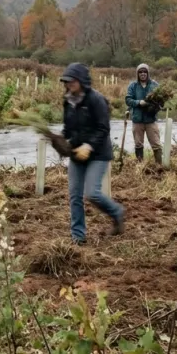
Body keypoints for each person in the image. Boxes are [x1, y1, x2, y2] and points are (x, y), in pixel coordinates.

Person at [60, 63, 125, 245]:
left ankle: (117, 212)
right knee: (74, 195)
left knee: (92, 193)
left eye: (72, 80)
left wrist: (88, 146)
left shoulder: (96, 100)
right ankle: (78, 236)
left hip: (98, 154)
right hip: (76, 153)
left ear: (81, 81)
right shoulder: (68, 101)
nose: (68, 84)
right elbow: (68, 128)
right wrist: (62, 140)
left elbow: (103, 128)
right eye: (66, 81)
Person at [125, 63, 162, 161]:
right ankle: (140, 167)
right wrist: (138, 102)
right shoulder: (132, 86)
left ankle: (159, 167)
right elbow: (128, 100)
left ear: (148, 73)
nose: (143, 74)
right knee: (138, 144)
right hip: (137, 120)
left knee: (156, 144)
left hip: (151, 119)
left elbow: (161, 100)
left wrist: (157, 106)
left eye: (145, 71)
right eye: (140, 72)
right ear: (137, 74)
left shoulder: (155, 85)